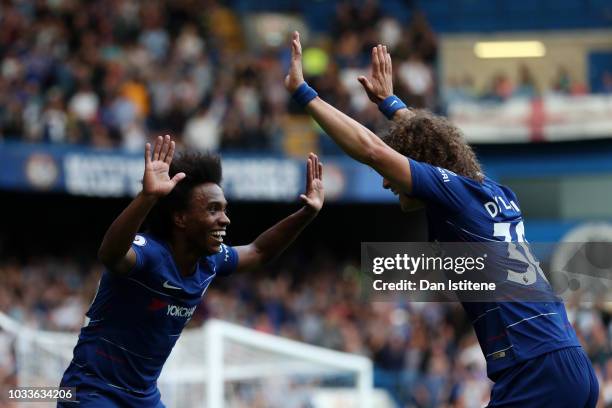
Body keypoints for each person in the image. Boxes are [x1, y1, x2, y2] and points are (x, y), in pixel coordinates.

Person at [284, 31, 599, 407]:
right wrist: (390, 104)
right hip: (565, 361)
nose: (388, 181)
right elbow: (438, 144)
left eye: (397, 172)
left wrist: (303, 92)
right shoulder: (490, 192)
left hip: (536, 370)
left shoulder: (453, 196)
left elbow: (372, 150)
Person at [58, 135, 324, 407]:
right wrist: (147, 197)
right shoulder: (150, 253)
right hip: (92, 391)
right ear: (180, 218)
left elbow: (259, 251)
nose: (225, 219)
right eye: (213, 209)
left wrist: (306, 214)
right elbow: (110, 254)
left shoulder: (212, 261)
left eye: (224, 209)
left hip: (143, 397)